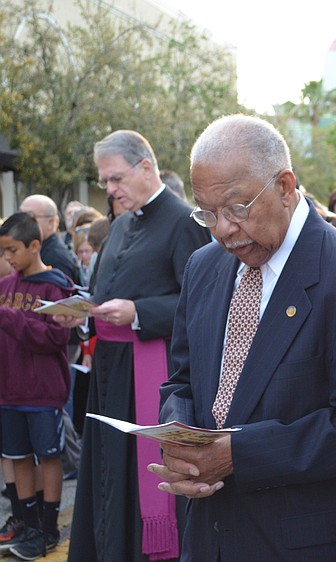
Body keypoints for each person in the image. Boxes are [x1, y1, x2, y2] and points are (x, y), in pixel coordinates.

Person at [149, 114, 336, 561]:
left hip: (302, 544)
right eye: (207, 213)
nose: (223, 229)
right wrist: (180, 434)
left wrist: (238, 453)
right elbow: (182, 378)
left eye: (236, 208)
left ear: (284, 187)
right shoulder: (203, 267)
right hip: (209, 538)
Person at [56, 130, 210, 562]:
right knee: (107, 473)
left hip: (151, 374)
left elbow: (202, 302)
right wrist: (85, 311)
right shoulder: (120, 225)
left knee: (138, 478)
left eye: (116, 179)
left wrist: (140, 312)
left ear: (146, 167)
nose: (110, 189)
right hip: (109, 369)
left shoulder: (184, 221)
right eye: (104, 182)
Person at [0, 212, 73, 559]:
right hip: (8, 390)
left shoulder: (56, 286)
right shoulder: (4, 287)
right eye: (3, 252)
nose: (8, 259)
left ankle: (48, 528)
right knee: (18, 457)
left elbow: (56, 339)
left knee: (49, 456)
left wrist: (10, 318)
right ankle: (28, 525)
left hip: (43, 392)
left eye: (12, 250)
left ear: (34, 246)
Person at [18, 195, 81, 286]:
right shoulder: (37, 250)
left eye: (29, 217)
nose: (21, 223)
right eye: (20, 216)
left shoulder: (57, 258)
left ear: (51, 222)